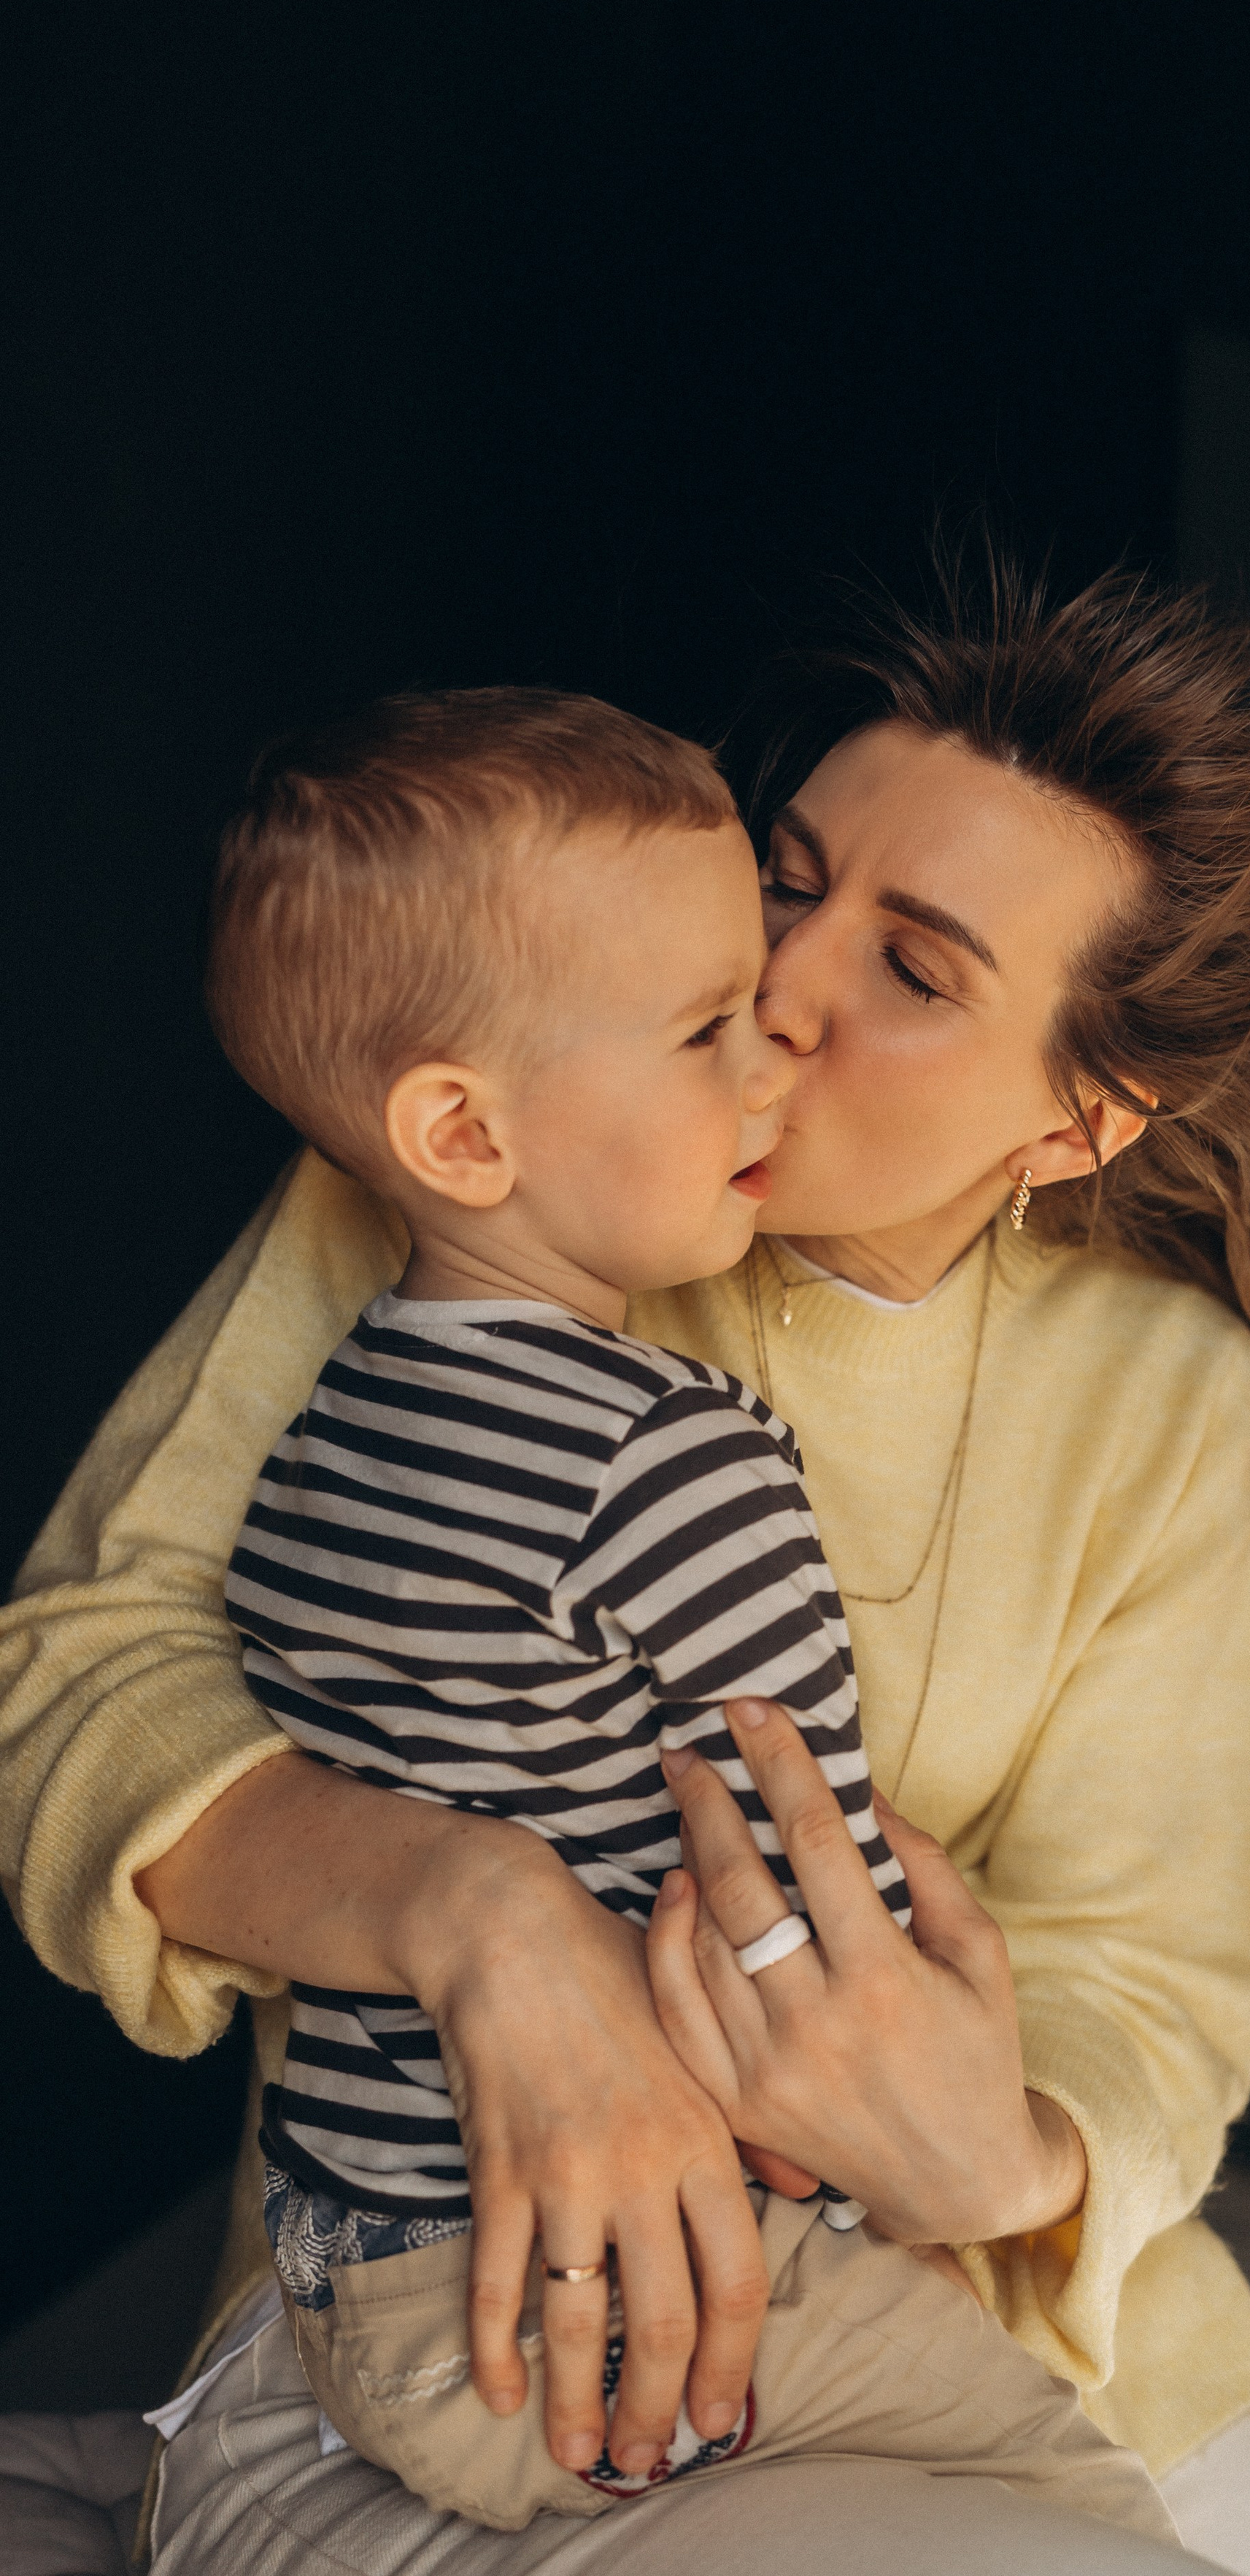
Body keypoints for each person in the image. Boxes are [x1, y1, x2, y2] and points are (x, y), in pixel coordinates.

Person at [3, 545, 1250, 2575]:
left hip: (994, 2349)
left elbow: (1152, 1977)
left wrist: (1005, 2152)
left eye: (912, 967)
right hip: (455, 2327)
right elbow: (79, 1671)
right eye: (787, 878)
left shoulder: (1164, 1402)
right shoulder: (482, 1166)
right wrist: (477, 1916)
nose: (779, 984)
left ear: (1080, 1119)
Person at [203, 682, 1166, 2537]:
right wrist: (881, 2191)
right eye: (708, 1021)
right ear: (462, 1134)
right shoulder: (676, 1460)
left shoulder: (328, 1421)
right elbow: (813, 1908)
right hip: (584, 2293)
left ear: (1079, 1124)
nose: (770, 1051)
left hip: (342, 2259)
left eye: (905, 967)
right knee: (1070, 2487)